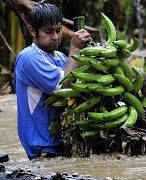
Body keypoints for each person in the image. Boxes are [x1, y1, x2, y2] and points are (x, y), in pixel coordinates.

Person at [14, 3, 92, 160]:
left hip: (61, 146)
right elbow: (63, 87)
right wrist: (75, 50)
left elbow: (77, 87)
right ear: (32, 31)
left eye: (58, 30)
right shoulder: (29, 58)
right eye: (48, 32)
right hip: (43, 149)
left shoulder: (62, 57)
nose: (55, 37)